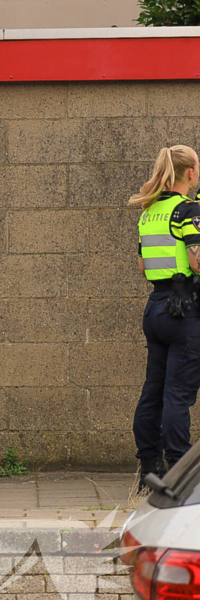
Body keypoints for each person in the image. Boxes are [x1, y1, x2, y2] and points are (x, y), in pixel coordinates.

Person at [131, 145, 200, 485]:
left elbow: (143, 267)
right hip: (184, 309)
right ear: (190, 173)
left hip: (156, 306)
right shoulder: (189, 209)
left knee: (153, 391)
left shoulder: (148, 212)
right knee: (178, 395)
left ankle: (150, 467)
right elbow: (196, 261)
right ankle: (180, 472)